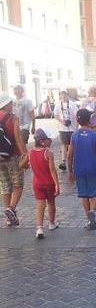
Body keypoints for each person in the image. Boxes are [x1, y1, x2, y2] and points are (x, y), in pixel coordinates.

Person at [67, 108, 96, 230]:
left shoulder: (74, 136)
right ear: (89, 120)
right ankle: (93, 211)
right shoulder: (95, 135)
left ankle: (88, 219)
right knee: (94, 192)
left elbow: (69, 156)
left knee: (83, 194)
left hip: (79, 169)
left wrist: (70, 172)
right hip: (92, 167)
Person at [0, 93, 28, 226]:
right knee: (18, 184)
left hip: (0, 158)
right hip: (12, 155)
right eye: (10, 103)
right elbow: (18, 138)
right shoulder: (12, 118)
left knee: (5, 185)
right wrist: (25, 154)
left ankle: (9, 217)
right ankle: (11, 209)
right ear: (6, 104)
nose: (12, 105)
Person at [29, 128, 60, 239]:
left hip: (37, 183)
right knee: (51, 203)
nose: (51, 141)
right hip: (48, 183)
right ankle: (51, 223)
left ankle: (39, 228)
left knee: (40, 206)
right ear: (43, 141)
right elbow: (52, 170)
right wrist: (57, 184)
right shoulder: (48, 153)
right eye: (49, 139)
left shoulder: (31, 152)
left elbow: (25, 164)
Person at [54, 90, 78, 171]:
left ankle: (72, 160)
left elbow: (76, 116)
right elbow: (56, 115)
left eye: (65, 95)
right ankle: (64, 162)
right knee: (64, 144)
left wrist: (76, 128)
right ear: (60, 96)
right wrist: (62, 121)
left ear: (67, 95)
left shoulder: (72, 104)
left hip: (72, 128)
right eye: (62, 95)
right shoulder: (57, 105)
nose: (63, 97)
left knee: (71, 145)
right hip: (62, 128)